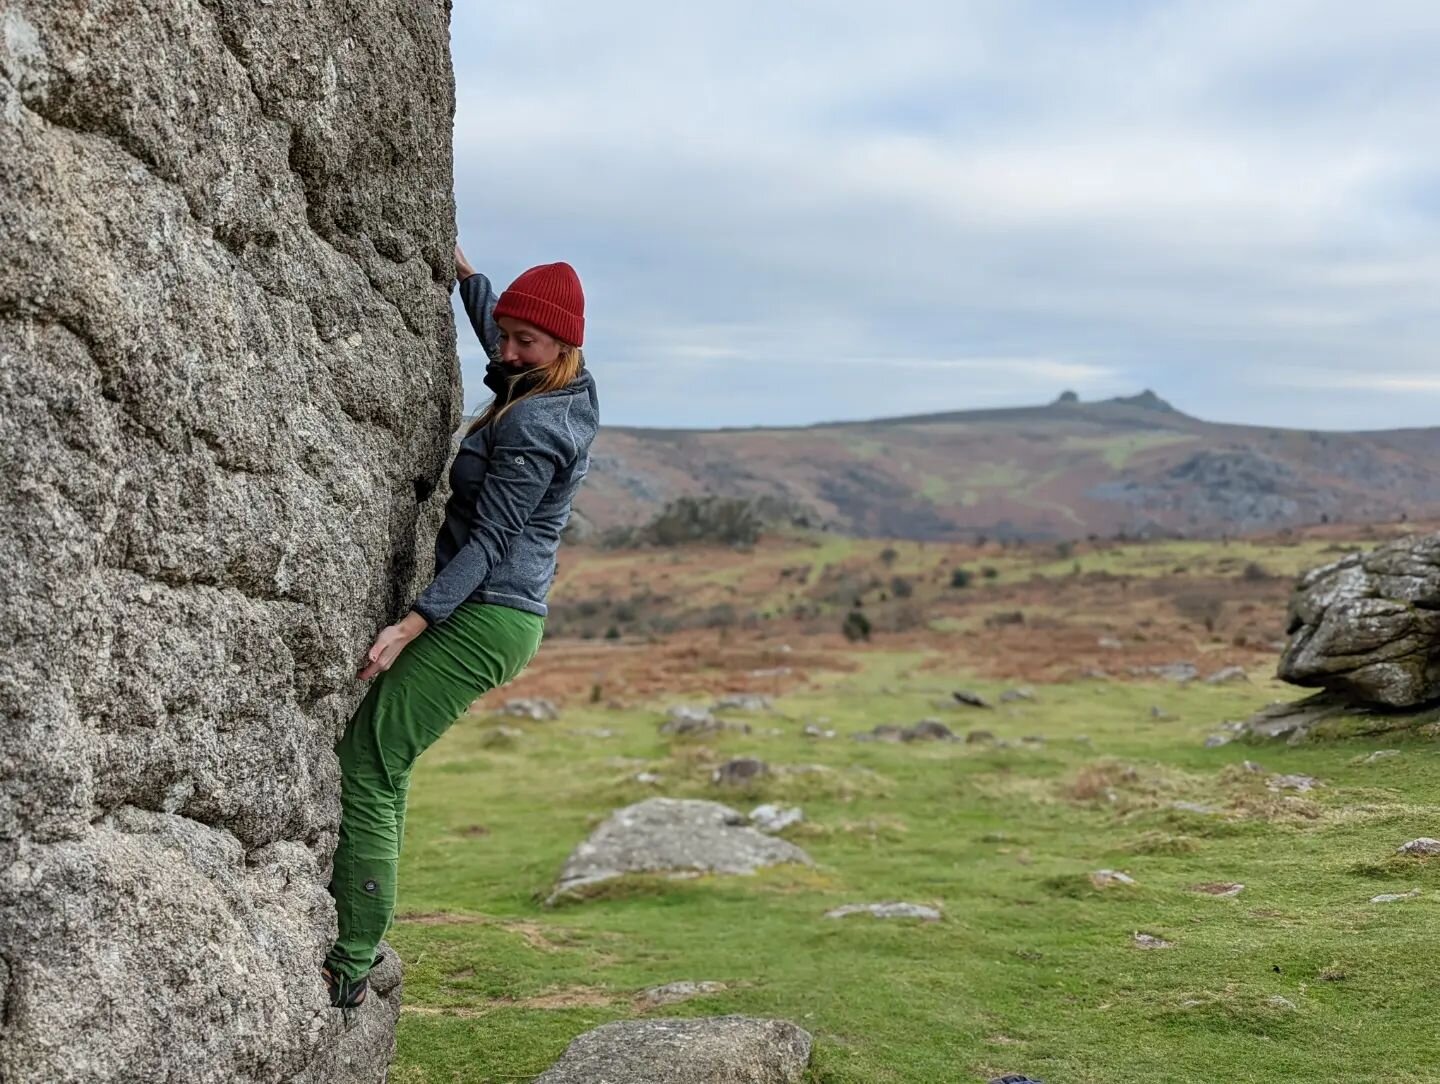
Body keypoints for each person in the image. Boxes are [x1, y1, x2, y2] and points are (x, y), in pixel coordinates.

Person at [321, 246, 600, 1008]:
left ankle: (351, 958)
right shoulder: (555, 384)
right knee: (390, 760)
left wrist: (413, 622)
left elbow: (491, 543)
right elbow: (504, 334)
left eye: (523, 341)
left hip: (486, 613)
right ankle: (362, 934)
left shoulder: (536, 426)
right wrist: (470, 278)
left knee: (369, 763)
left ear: (562, 348)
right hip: (494, 613)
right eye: (502, 335)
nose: (505, 350)